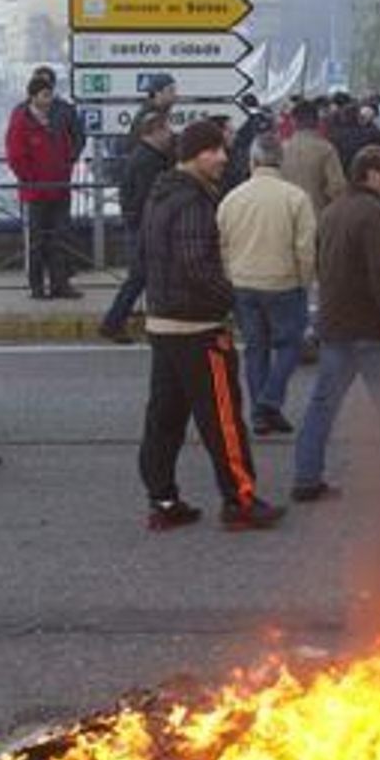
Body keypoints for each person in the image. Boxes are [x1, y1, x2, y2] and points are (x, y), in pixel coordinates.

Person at [136, 120, 285, 533]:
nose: (223, 157)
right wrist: (231, 300)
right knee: (223, 419)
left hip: (163, 323)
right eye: (214, 150)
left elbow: (145, 255)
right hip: (197, 327)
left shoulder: (160, 195)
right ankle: (239, 500)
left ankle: (162, 500)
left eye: (223, 149)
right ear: (193, 154)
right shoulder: (192, 202)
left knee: (164, 418)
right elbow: (197, 265)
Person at [291, 146, 380, 502]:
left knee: (322, 404)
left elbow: (321, 264)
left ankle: (306, 478)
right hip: (371, 327)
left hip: (335, 323)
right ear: (371, 174)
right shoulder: (375, 214)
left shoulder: (333, 210)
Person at [219, 132, 317, 437]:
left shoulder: (233, 198)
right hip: (284, 282)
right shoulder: (295, 197)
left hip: (243, 282)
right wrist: (305, 280)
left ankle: (261, 413)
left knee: (255, 348)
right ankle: (269, 402)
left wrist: (230, 275)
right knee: (289, 344)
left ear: (252, 160)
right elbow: (305, 247)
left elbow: (222, 243)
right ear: (280, 161)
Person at [98, 110, 176, 343]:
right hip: (145, 228)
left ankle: (117, 322)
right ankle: (117, 323)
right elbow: (148, 199)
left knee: (141, 278)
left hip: (141, 225)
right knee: (143, 278)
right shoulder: (147, 161)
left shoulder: (148, 156)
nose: (170, 135)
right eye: (166, 130)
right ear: (154, 132)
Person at [5, 73, 81, 300]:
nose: (50, 100)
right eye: (45, 96)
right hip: (36, 191)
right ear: (33, 97)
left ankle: (60, 284)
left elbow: (70, 142)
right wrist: (33, 180)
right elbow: (16, 157)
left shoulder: (57, 117)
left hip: (59, 187)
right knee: (37, 241)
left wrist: (66, 167)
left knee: (60, 238)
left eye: (51, 95)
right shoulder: (21, 121)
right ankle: (37, 287)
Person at [280, 100, 347, 215]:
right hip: (316, 214)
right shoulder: (326, 149)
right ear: (317, 122)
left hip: (286, 214)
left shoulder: (281, 149)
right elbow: (337, 188)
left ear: (293, 122)